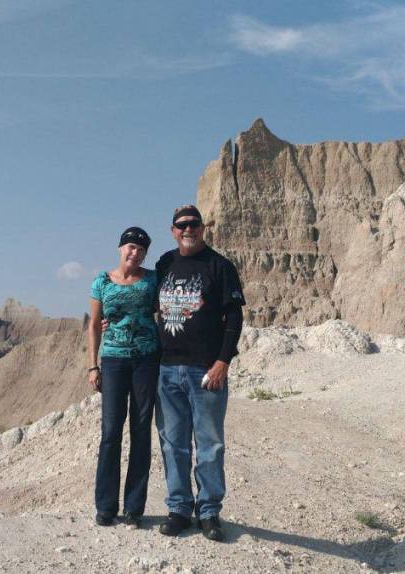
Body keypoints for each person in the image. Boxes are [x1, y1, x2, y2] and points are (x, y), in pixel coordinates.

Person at [153, 204, 245, 542]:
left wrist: (223, 362)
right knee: (172, 443)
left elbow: (233, 318)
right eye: (181, 225)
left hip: (205, 371)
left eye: (193, 224)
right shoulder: (164, 263)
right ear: (173, 230)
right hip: (166, 369)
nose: (187, 229)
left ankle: (208, 512)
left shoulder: (220, 266)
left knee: (210, 445)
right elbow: (148, 304)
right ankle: (179, 508)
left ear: (203, 228)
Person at [88, 226, 159, 529]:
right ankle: (105, 507)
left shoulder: (153, 280)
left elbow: (166, 311)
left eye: (141, 249)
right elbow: (93, 324)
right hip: (114, 360)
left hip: (146, 359)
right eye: (130, 247)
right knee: (110, 432)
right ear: (120, 248)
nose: (135, 253)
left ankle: (134, 508)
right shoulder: (102, 281)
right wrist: (93, 366)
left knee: (141, 431)